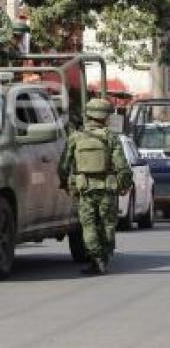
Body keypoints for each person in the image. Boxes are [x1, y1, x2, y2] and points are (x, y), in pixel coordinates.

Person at [57, 98, 133, 275]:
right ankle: (104, 258)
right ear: (106, 117)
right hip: (107, 189)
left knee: (88, 225)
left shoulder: (75, 137)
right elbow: (122, 166)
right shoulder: (111, 137)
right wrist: (124, 185)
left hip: (85, 190)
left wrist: (65, 184)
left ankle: (95, 259)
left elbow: (63, 166)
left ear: (88, 115)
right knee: (107, 224)